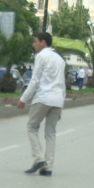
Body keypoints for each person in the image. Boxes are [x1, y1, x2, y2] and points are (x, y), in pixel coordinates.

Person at [17, 32, 66, 177]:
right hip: (57, 99)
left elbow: (35, 81)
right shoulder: (60, 59)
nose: (34, 44)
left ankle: (39, 159)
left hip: (43, 97)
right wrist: (61, 104)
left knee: (31, 127)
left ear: (43, 42)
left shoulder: (41, 56)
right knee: (50, 133)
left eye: (35, 41)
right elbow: (62, 83)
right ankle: (48, 167)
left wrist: (23, 99)